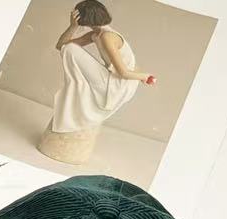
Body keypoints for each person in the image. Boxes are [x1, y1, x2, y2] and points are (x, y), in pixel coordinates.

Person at [51, 2, 156, 138]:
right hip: (115, 79)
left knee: (70, 49)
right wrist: (72, 27)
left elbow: (123, 72)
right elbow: (61, 46)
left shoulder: (107, 37)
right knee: (69, 48)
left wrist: (144, 76)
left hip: (119, 85)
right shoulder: (96, 34)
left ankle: (79, 87)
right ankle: (79, 87)